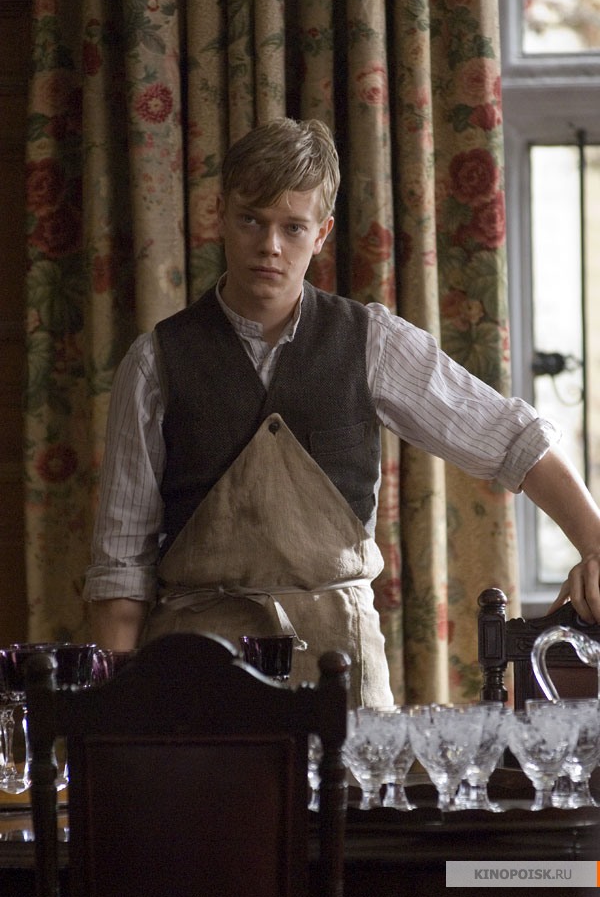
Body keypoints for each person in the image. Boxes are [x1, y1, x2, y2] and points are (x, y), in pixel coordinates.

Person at [84, 117, 600, 707]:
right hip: (194, 679)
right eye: (251, 219)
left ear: (322, 233)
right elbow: (120, 571)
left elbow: (513, 440)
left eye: (292, 227)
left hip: (343, 674)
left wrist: (595, 546)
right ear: (219, 213)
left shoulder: (371, 342)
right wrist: (116, 718)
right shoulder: (155, 363)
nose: (270, 245)